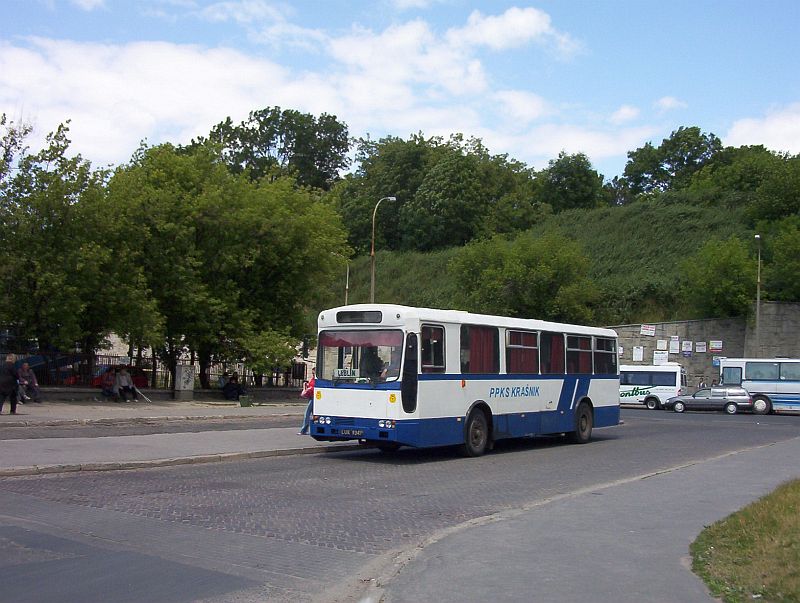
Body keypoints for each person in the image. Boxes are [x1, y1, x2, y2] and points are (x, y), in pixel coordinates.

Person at [298, 368, 315, 435]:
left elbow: (314, 388)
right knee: (315, 415)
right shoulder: (313, 379)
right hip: (311, 397)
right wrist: (306, 385)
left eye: (314, 373)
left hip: (314, 398)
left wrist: (309, 388)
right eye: (312, 373)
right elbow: (310, 386)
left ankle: (304, 430)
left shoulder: (317, 380)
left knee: (307, 413)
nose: (313, 375)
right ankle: (313, 430)